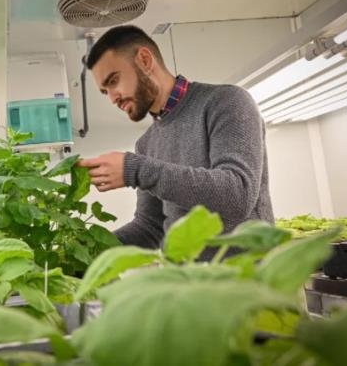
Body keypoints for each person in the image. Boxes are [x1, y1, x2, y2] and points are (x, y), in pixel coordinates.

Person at [77, 25, 273, 256]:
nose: (112, 98)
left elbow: (237, 195)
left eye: (113, 81)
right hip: (186, 286)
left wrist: (136, 170)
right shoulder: (146, 144)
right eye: (104, 91)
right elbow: (150, 227)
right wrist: (85, 251)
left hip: (247, 285)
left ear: (145, 60)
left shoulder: (227, 102)